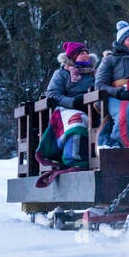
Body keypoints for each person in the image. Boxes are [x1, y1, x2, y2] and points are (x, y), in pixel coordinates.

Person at [37, 41, 95, 170]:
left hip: (92, 107)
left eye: (86, 53)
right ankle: (74, 161)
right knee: (77, 122)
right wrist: (71, 102)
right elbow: (52, 94)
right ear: (73, 57)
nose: (86, 56)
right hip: (67, 108)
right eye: (81, 54)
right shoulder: (62, 73)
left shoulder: (95, 73)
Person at [95, 20, 129, 148]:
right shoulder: (110, 59)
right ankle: (119, 145)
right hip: (116, 97)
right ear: (122, 41)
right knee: (128, 110)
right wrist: (118, 91)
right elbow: (100, 85)